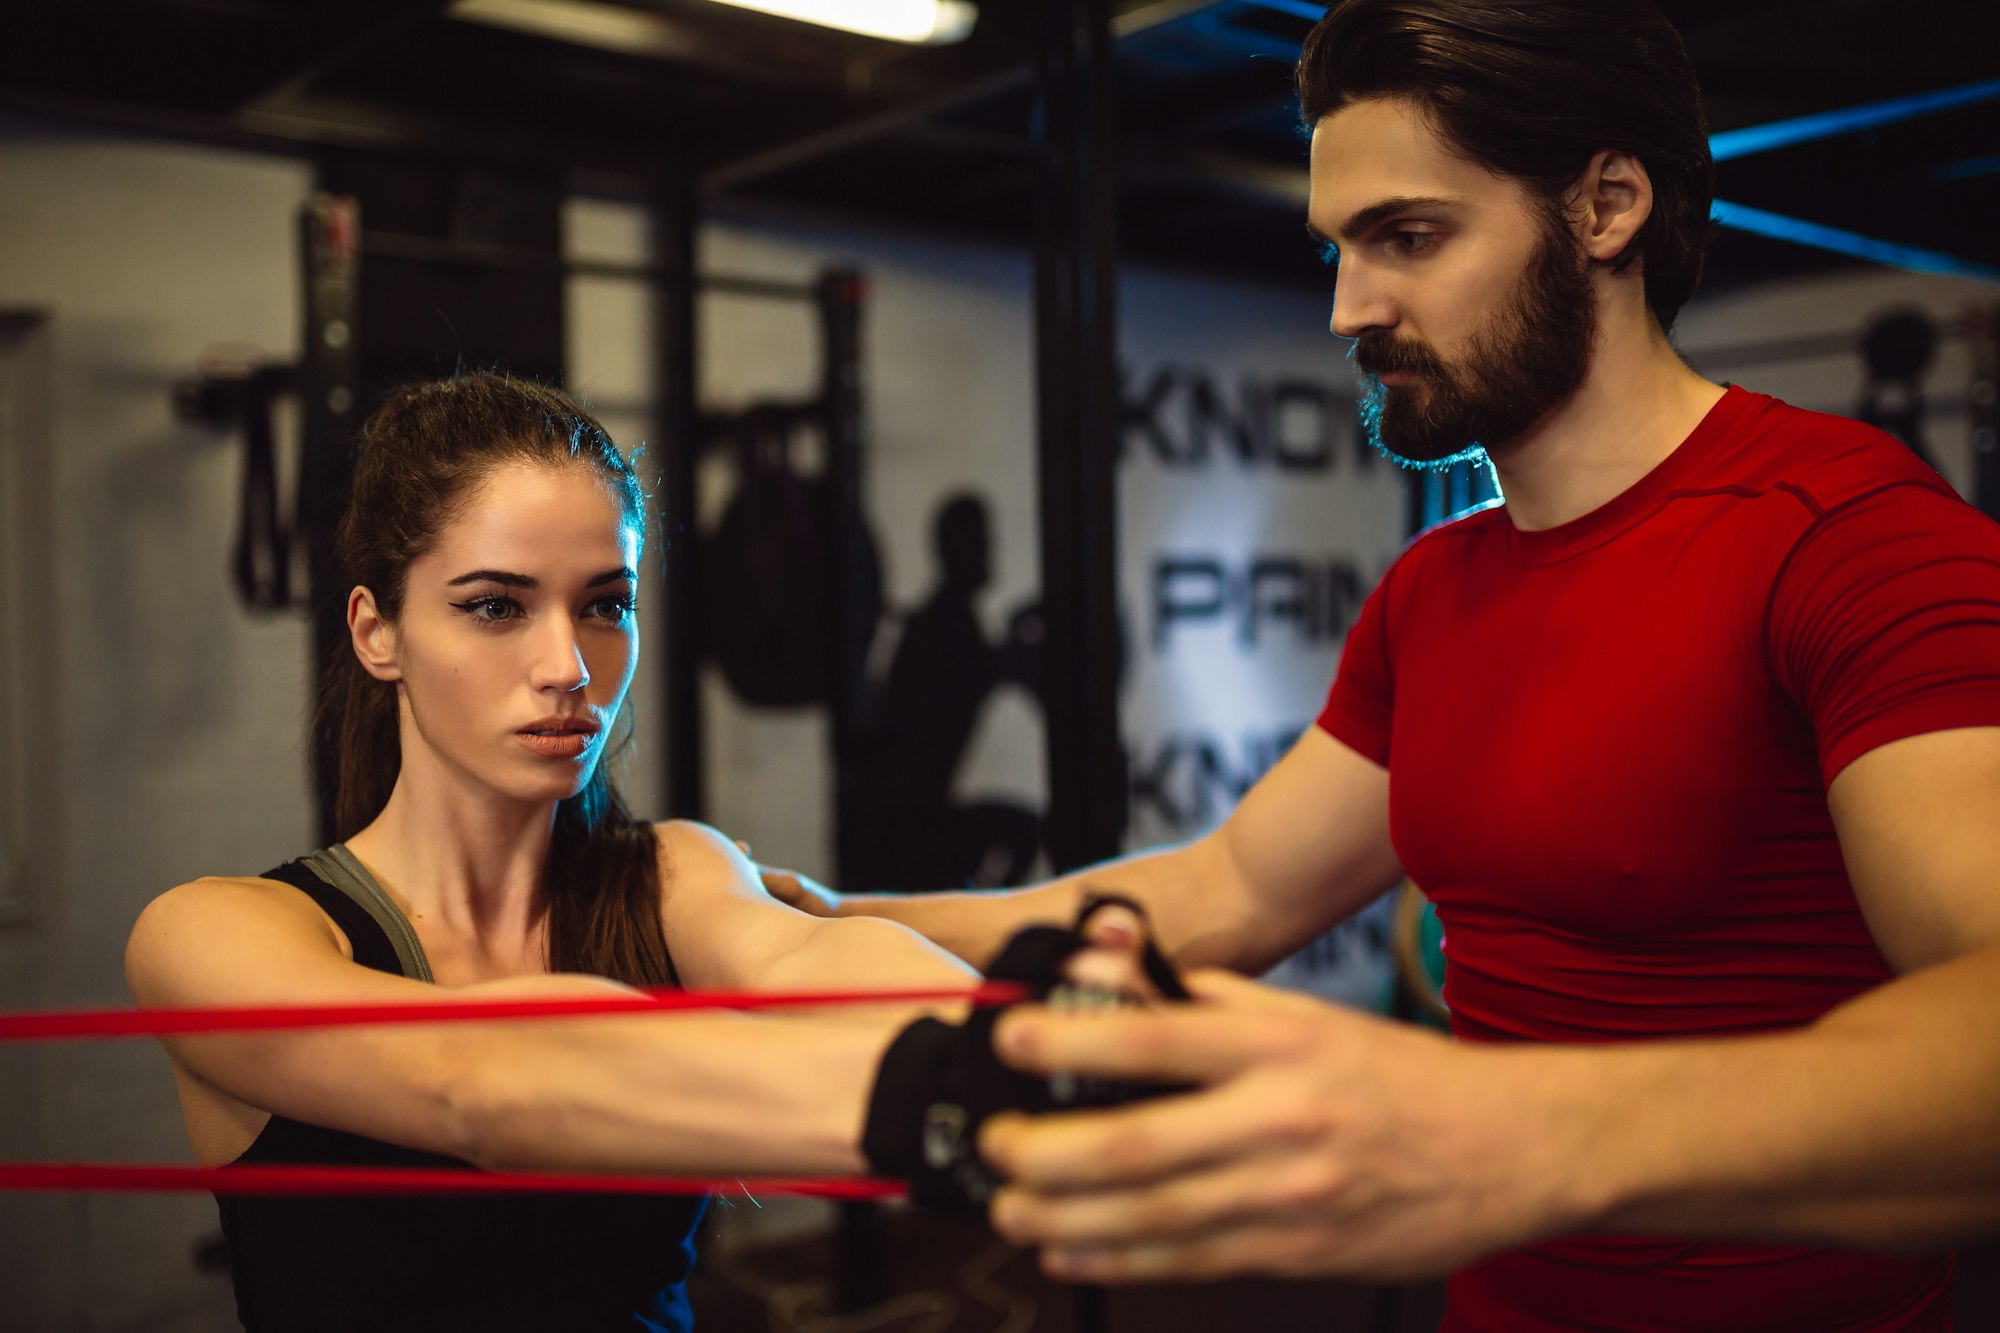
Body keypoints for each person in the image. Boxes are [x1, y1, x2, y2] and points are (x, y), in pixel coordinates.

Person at [763, 1, 2000, 1328]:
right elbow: (1229, 888)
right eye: (1338, 248)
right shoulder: (1433, 589)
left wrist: (1493, 1129)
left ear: (1607, 207)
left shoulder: (1851, 540)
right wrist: (807, 923)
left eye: (1408, 236)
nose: (1348, 308)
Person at [123, 373, 993, 1333]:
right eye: (497, 606)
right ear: (377, 632)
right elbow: (476, 1086)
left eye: (605, 606)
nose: (568, 667)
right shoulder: (209, 936)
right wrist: (927, 1093)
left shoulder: (670, 873)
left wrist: (1008, 1037)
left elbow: (810, 959)